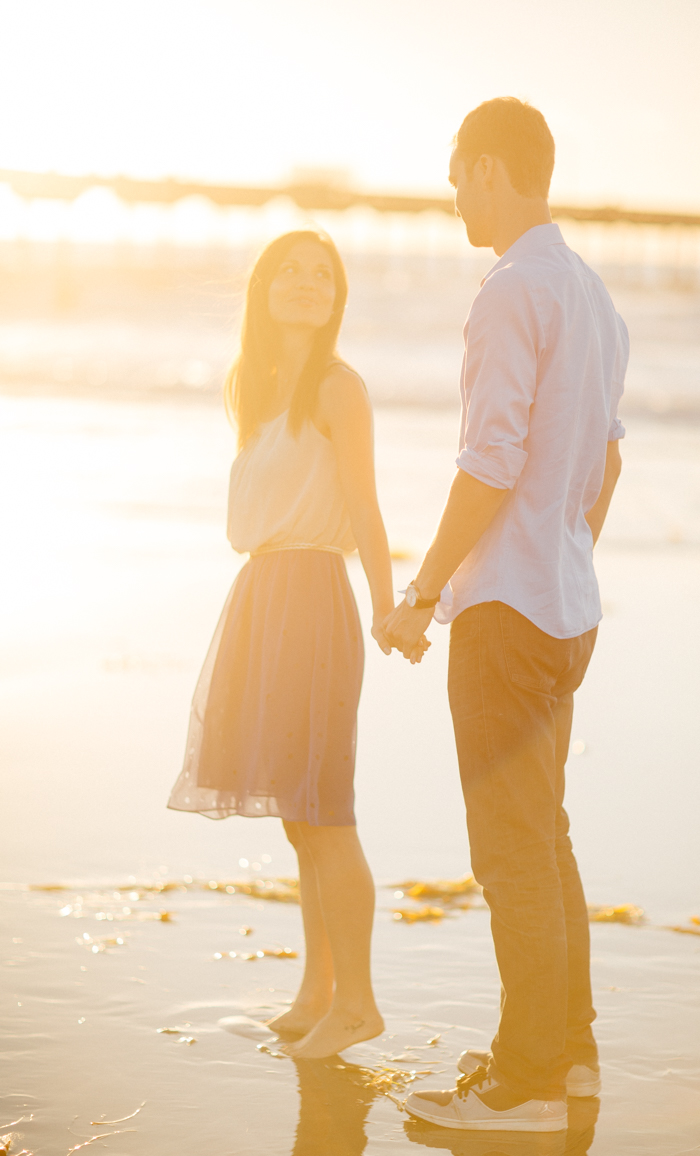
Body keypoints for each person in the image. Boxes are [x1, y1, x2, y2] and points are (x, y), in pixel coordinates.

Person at [386, 98, 629, 1131]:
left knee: (511, 850)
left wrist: (421, 588)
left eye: (454, 173)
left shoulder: (508, 292)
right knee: (548, 839)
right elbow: (604, 457)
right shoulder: (590, 294)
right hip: (565, 610)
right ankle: (566, 1057)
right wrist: (565, 553)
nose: (449, 195)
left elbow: (489, 463)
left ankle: (522, 1079)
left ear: (490, 168)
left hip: (504, 615)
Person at [168, 229, 425, 1059]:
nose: (308, 283)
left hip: (313, 596)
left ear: (338, 298)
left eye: (325, 275)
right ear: (264, 287)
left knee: (324, 810)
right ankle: (318, 986)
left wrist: (394, 608)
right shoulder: (254, 386)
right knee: (295, 814)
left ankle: (359, 1003)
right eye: (292, 270)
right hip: (259, 597)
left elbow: (368, 510)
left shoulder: (338, 390)